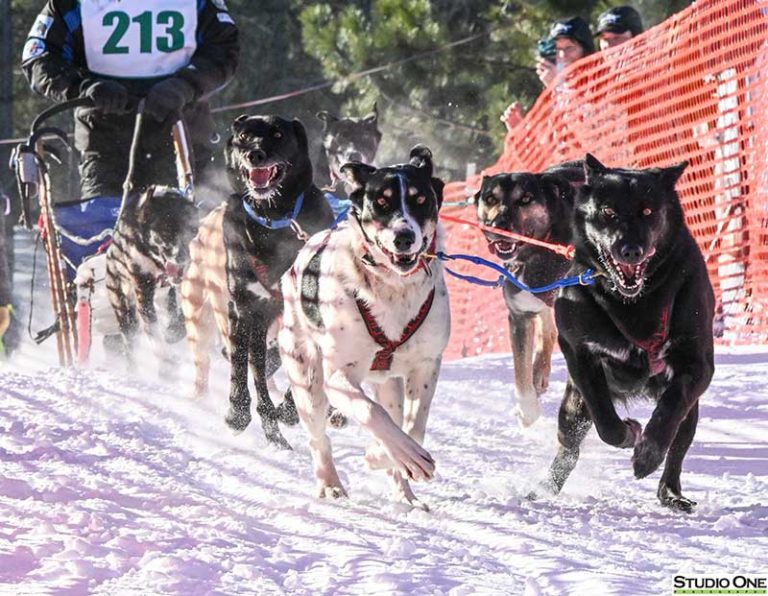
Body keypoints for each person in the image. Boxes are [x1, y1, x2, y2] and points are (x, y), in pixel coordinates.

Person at [21, 0, 240, 278]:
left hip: (180, 135)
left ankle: (190, 313)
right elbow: (39, 56)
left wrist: (185, 85)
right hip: (105, 142)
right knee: (107, 248)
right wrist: (85, 86)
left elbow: (224, 49)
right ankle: (104, 312)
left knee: (190, 242)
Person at [502, 17, 595, 131]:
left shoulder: (599, 82)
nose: (563, 55)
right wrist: (520, 133)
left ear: (585, 50)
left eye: (569, 48)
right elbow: (552, 143)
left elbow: (592, 132)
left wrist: (558, 87)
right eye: (558, 49)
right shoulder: (554, 92)